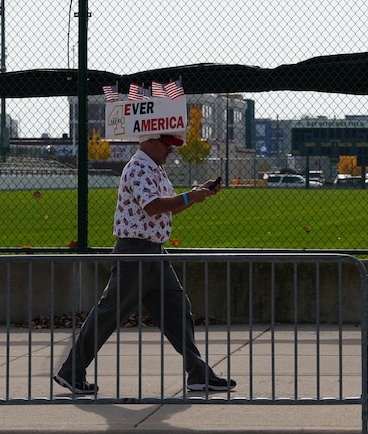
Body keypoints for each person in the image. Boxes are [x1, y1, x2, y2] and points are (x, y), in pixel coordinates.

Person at [53, 133, 236, 395]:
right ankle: (71, 371)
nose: (171, 150)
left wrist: (197, 194)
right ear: (150, 140)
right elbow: (152, 207)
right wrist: (190, 197)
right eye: (167, 144)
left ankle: (198, 374)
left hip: (153, 254)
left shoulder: (155, 169)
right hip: (135, 253)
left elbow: (168, 207)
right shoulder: (138, 168)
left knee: (178, 309)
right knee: (109, 314)